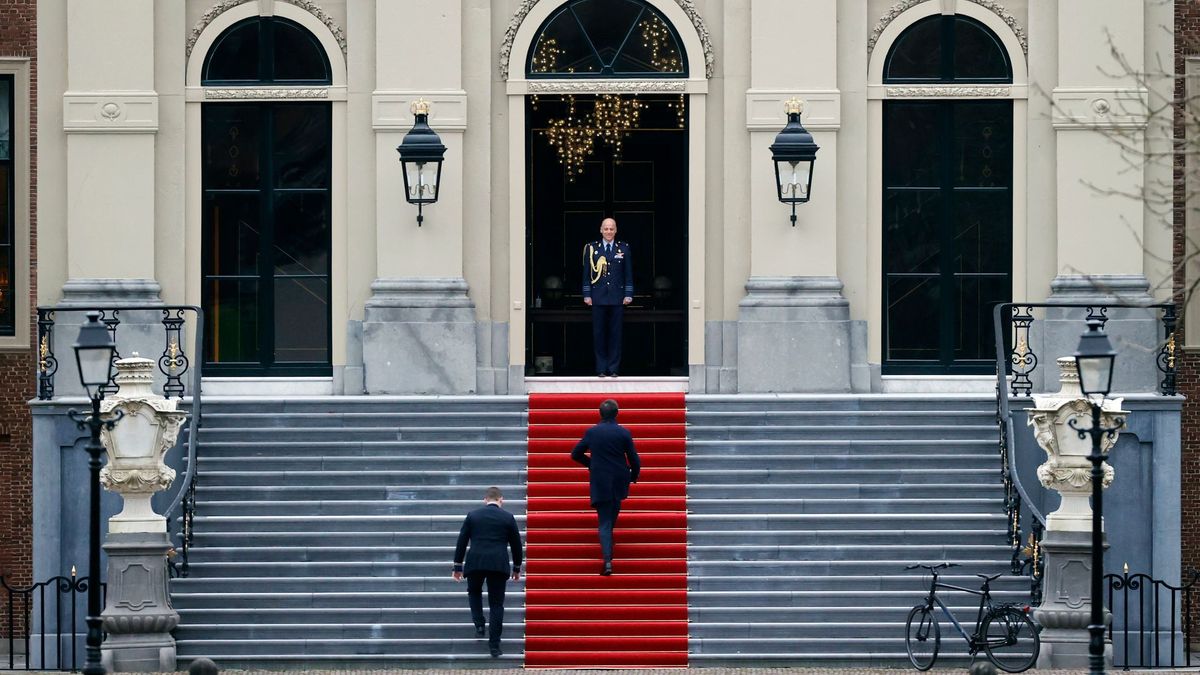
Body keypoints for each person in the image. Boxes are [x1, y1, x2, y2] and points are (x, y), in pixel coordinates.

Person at [570, 399, 641, 575]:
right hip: (619, 479)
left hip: (601, 479)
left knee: (605, 521)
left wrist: (591, 464)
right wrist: (633, 476)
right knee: (610, 516)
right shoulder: (623, 433)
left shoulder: (592, 432)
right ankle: (608, 552)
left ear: (600, 413)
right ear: (616, 413)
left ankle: (608, 560)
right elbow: (634, 459)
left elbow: (575, 453)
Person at [452, 486, 523, 658]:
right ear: (501, 500)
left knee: (474, 592)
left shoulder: (473, 516)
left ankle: (479, 624)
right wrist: (517, 568)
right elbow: (516, 545)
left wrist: (457, 566)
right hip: (498, 564)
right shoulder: (508, 517)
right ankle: (494, 646)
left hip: (475, 562)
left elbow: (462, 540)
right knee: (496, 604)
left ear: (485, 500)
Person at [582, 217, 633, 377]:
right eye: (606, 229)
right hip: (598, 297)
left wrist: (628, 294)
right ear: (601, 230)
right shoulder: (592, 248)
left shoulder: (623, 248)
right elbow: (586, 274)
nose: (609, 231)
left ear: (616, 230)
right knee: (599, 334)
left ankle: (613, 368)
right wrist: (587, 294)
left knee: (615, 334)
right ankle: (601, 368)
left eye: (611, 229)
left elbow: (628, 273)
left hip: (617, 298)